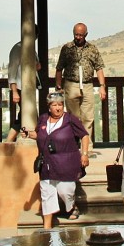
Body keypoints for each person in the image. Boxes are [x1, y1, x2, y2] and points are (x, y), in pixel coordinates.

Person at [21, 91, 90, 229]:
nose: (58, 108)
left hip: (67, 163)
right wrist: (29, 134)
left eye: (60, 105)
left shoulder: (70, 119)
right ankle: (47, 228)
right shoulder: (43, 119)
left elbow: (84, 135)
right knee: (47, 194)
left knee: (65, 191)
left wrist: (85, 154)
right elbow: (39, 134)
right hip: (47, 163)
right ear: (49, 106)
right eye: (54, 105)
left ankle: (71, 207)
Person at [55, 22, 107, 148]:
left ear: (86, 34)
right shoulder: (66, 48)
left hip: (88, 85)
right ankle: (74, 144)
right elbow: (59, 68)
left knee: (88, 118)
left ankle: (87, 147)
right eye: (76, 34)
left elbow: (99, 68)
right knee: (74, 118)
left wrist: (102, 86)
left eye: (81, 35)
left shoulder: (92, 49)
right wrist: (58, 86)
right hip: (71, 85)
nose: (78, 37)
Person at [6, 40, 41, 143]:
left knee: (24, 114)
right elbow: (12, 69)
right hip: (20, 86)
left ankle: (9, 141)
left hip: (29, 87)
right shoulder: (18, 48)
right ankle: (11, 141)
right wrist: (14, 90)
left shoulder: (31, 48)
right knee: (28, 113)